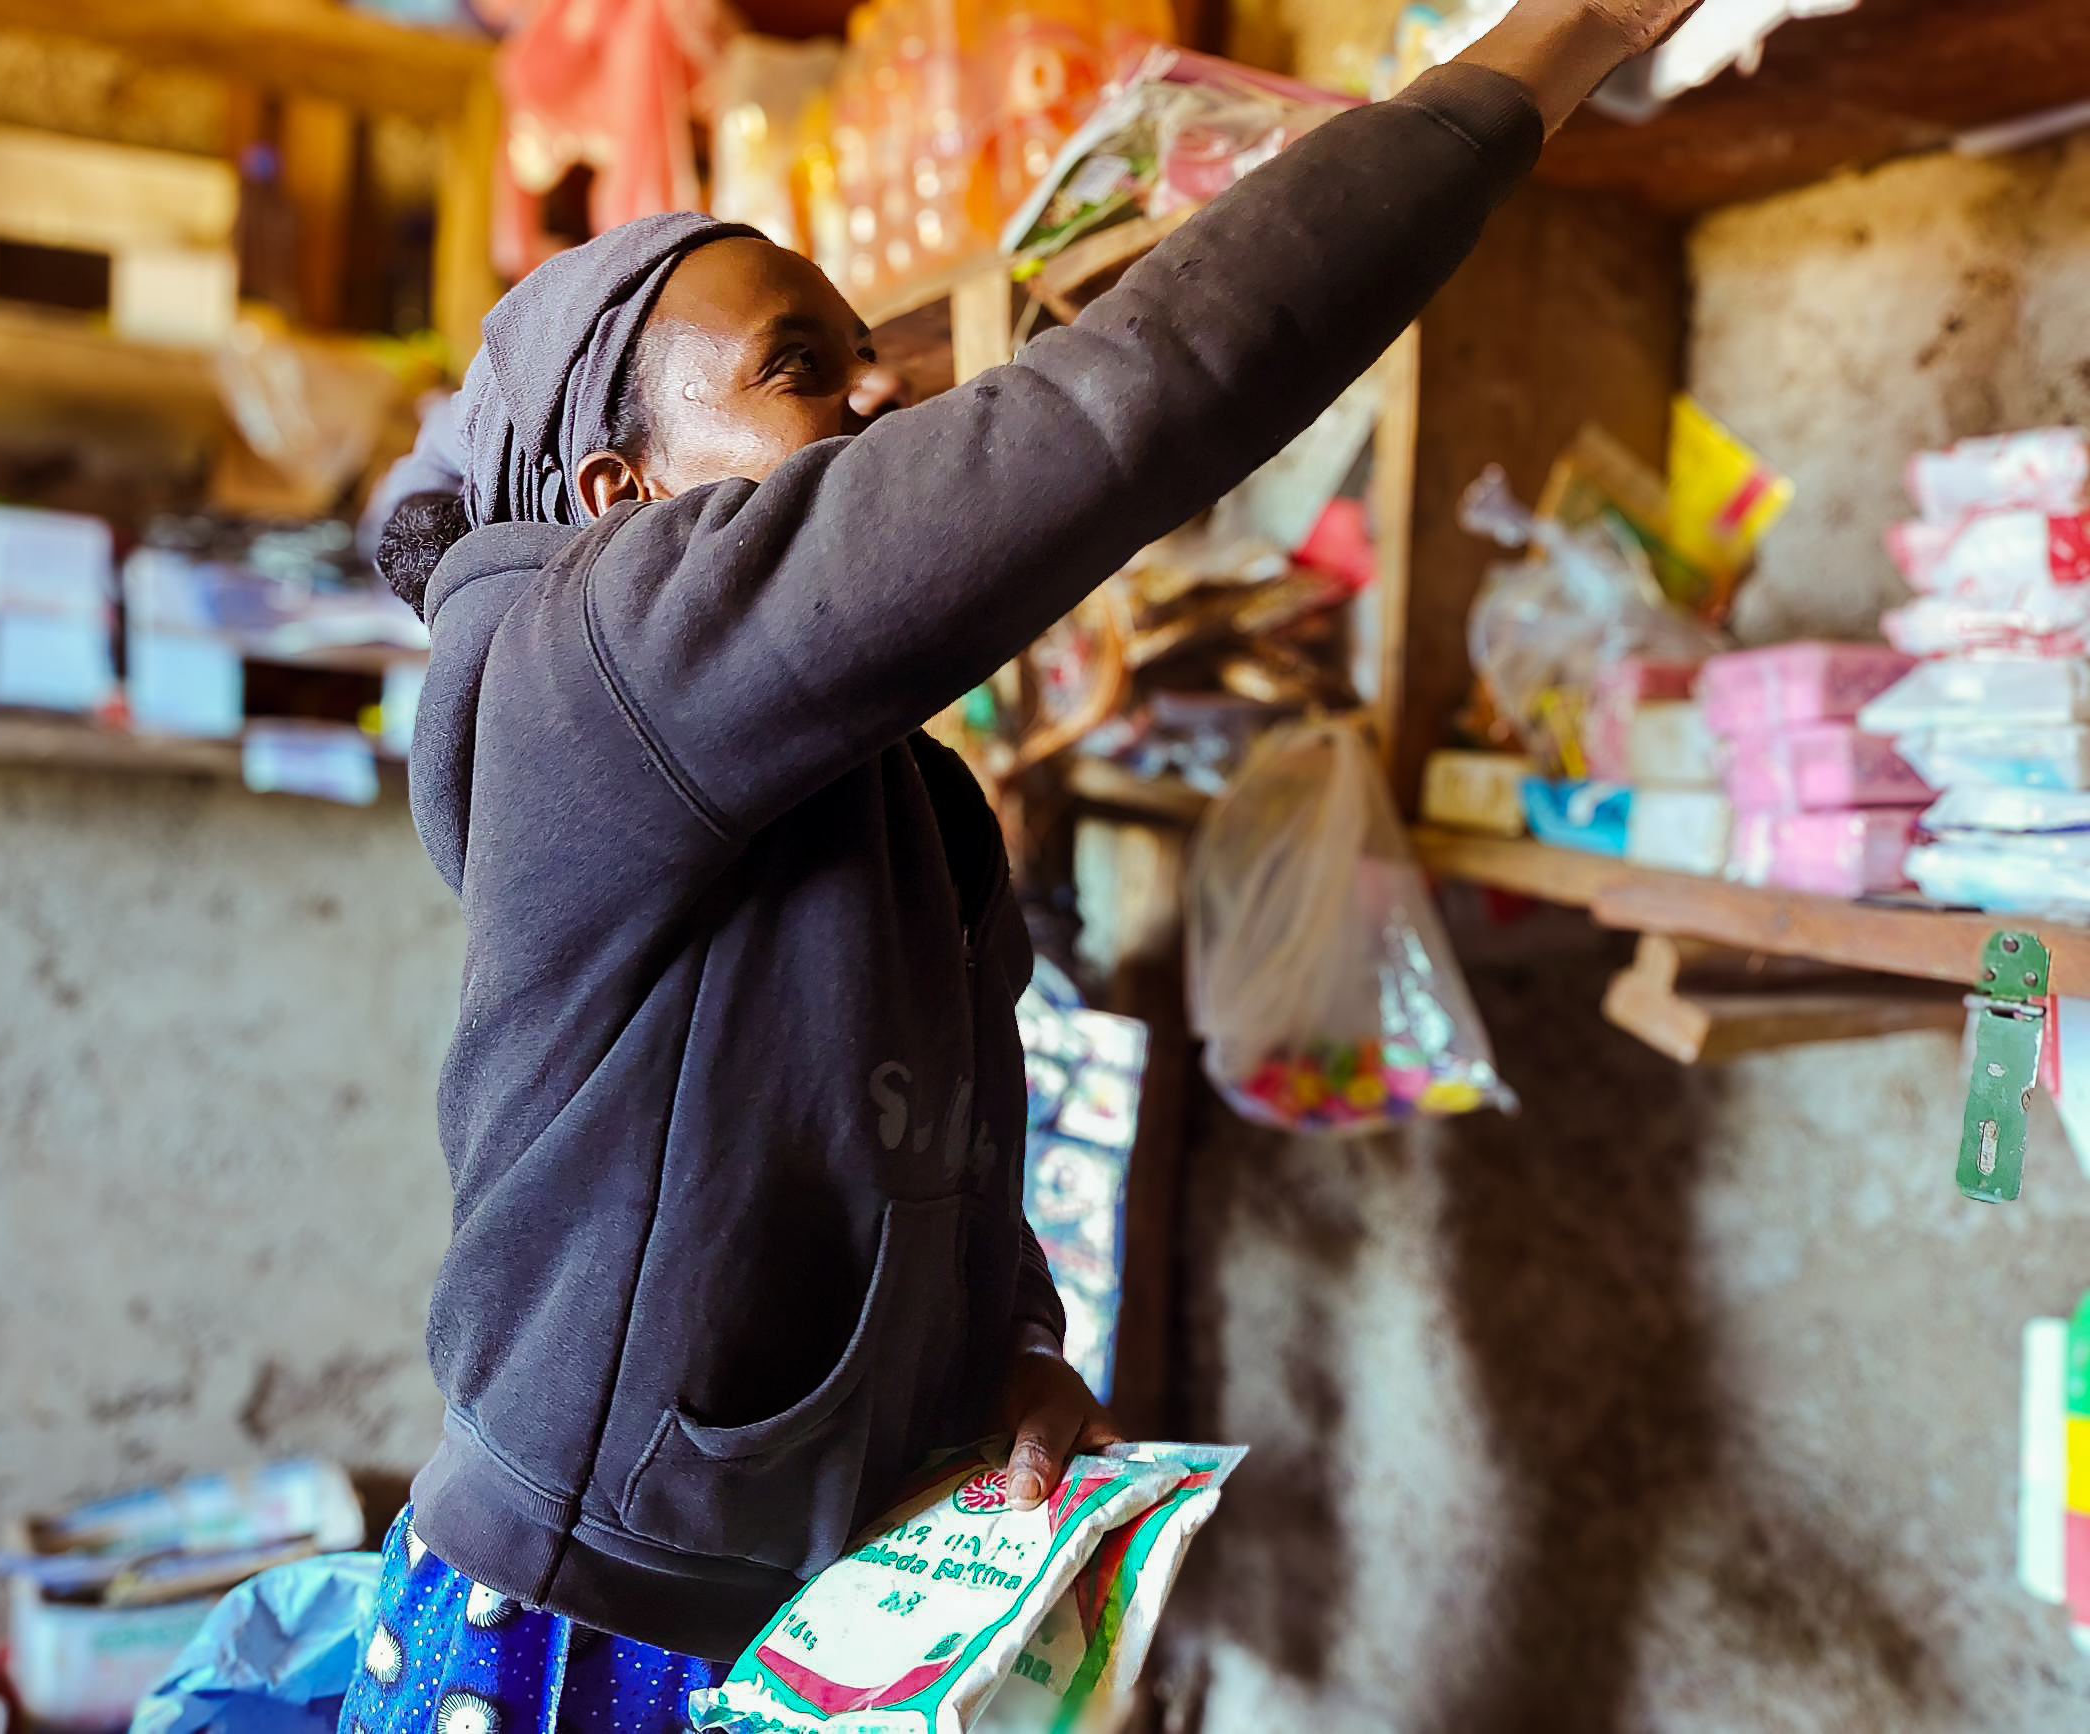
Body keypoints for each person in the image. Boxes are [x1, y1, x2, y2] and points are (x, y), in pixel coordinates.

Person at [341, 0, 1695, 1725]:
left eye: (861, 349)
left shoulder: (899, 789)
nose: (885, 386)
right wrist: (1549, 48)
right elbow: (1129, 402)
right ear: (623, 493)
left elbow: (920, 1129)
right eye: (797, 366)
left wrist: (1008, 1351)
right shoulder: (575, 670)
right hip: (586, 1625)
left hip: (803, 1598)